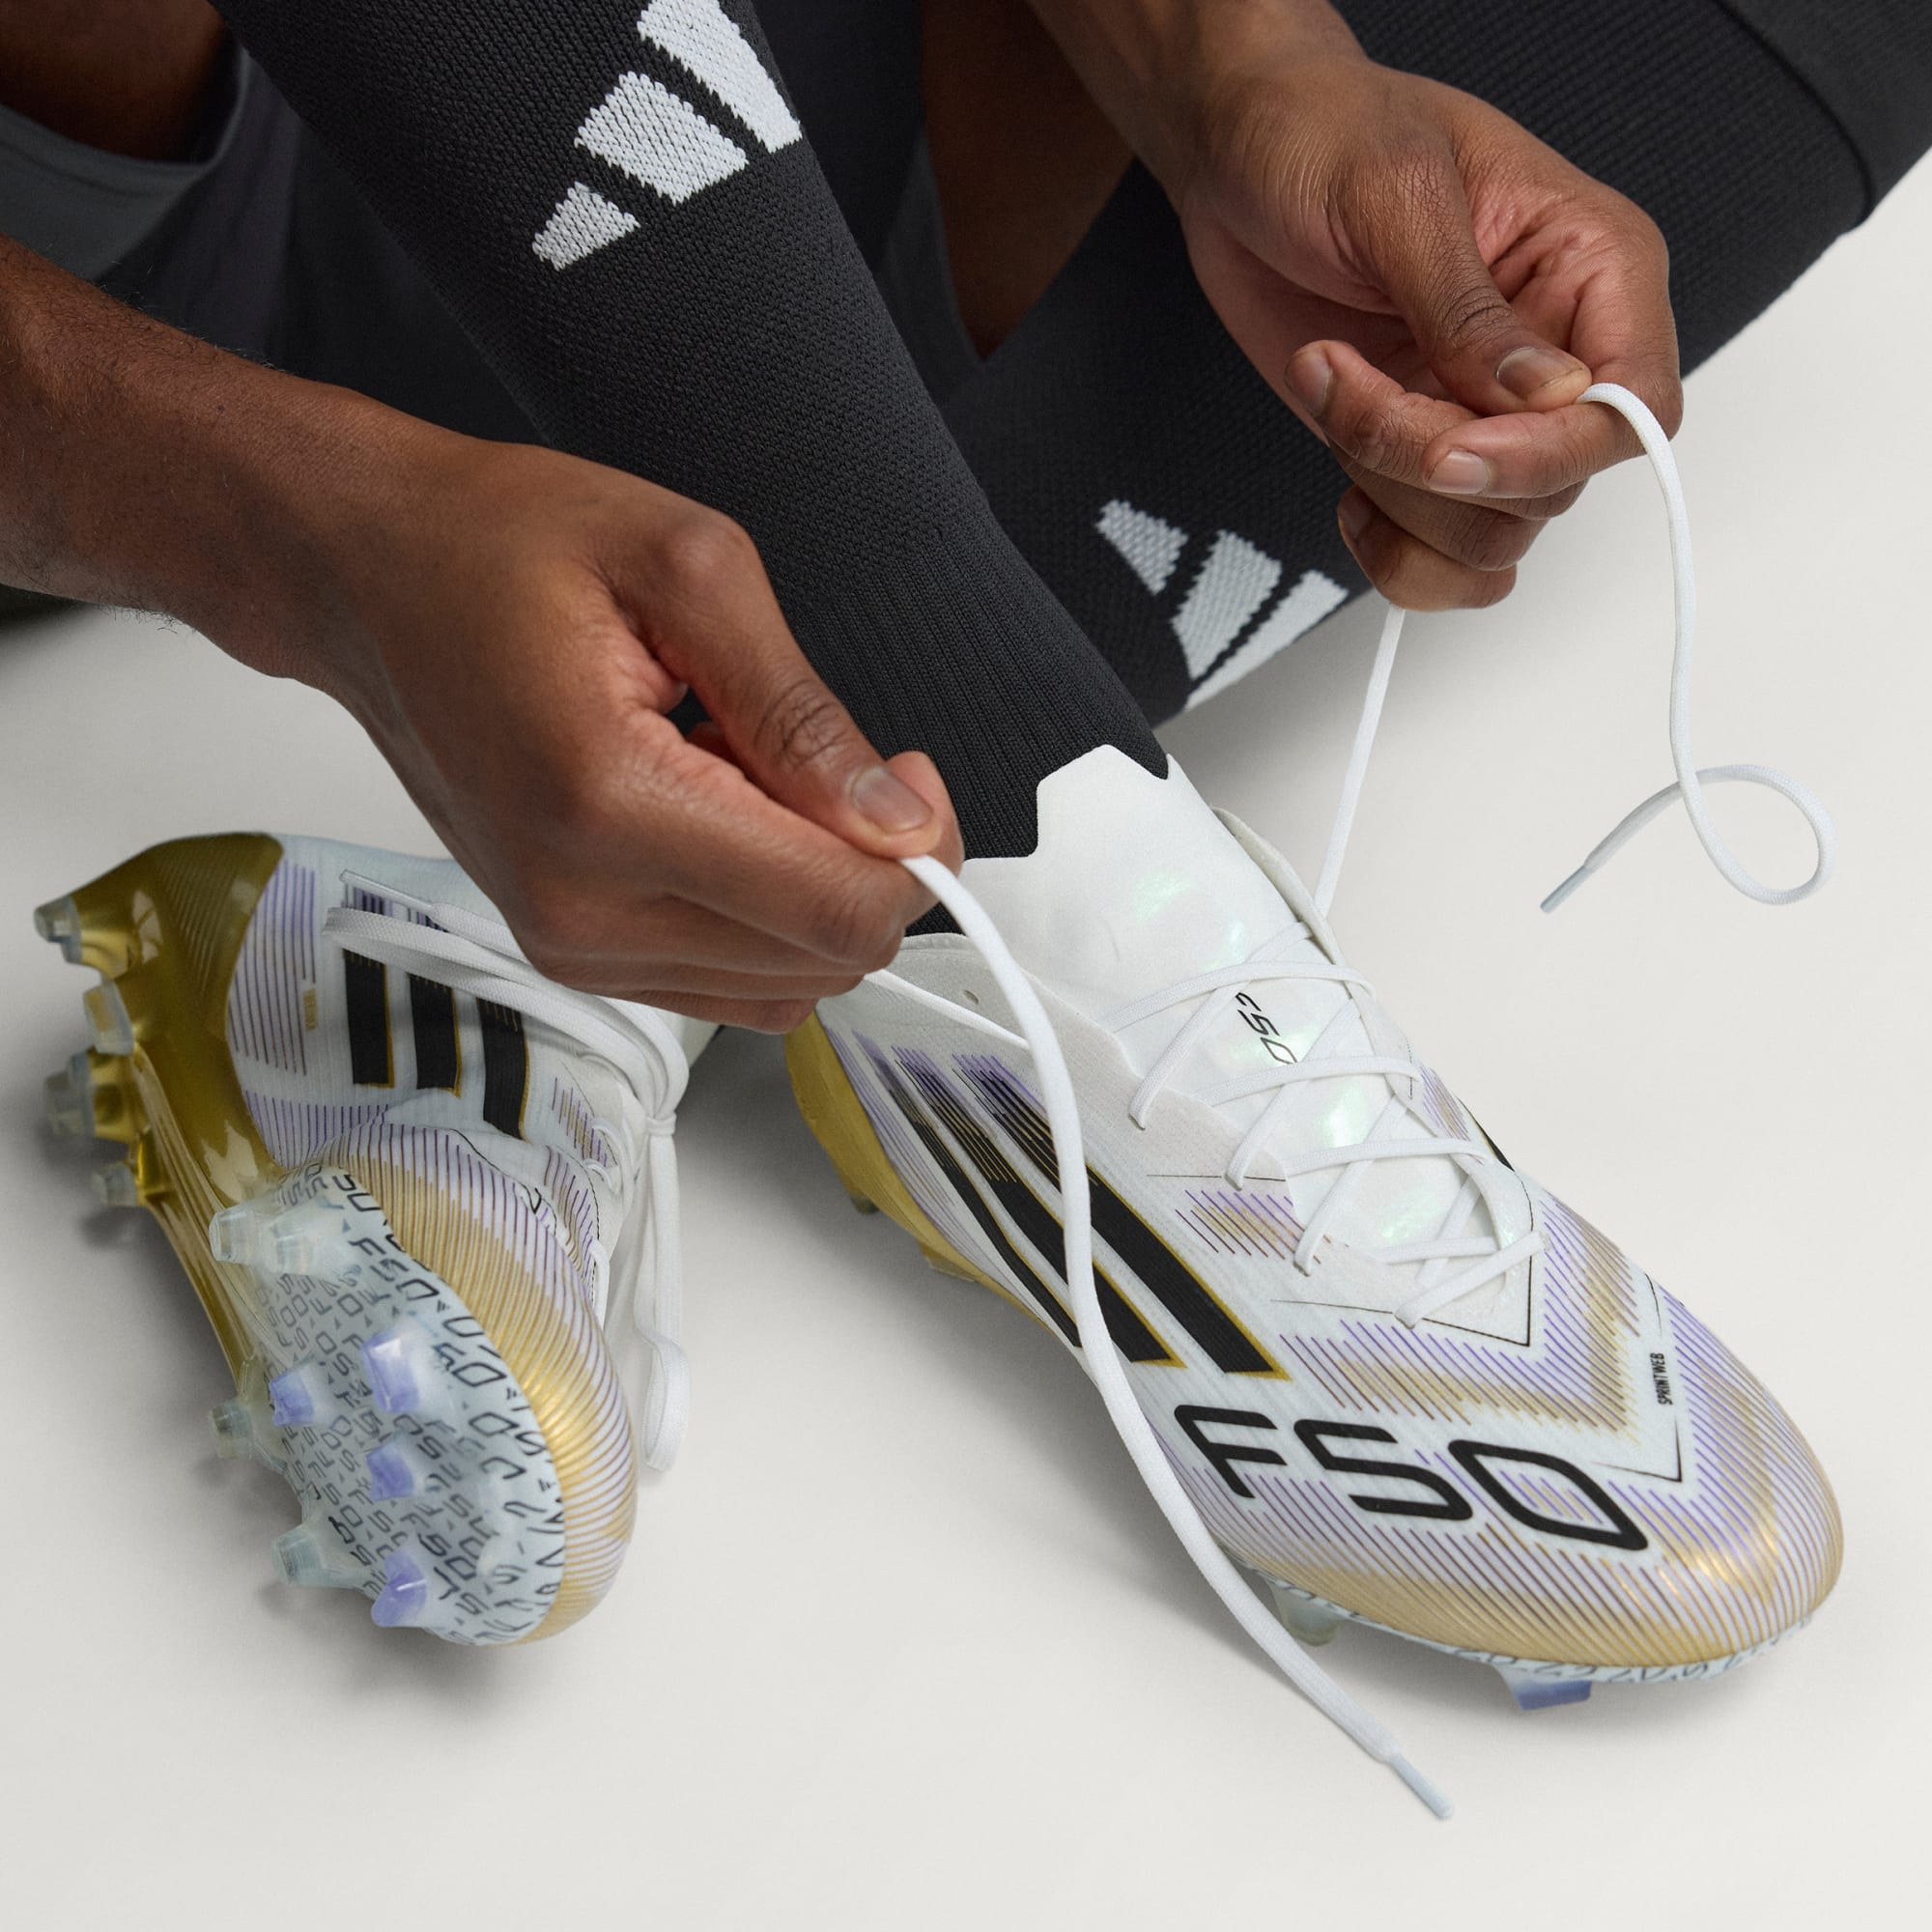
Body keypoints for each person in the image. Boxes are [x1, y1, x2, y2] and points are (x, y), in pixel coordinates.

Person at [8, 0, 1927, 1796]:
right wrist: (297, 532)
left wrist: (1238, 63)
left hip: (706, 153)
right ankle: (1017, 840)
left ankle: (807, 868)